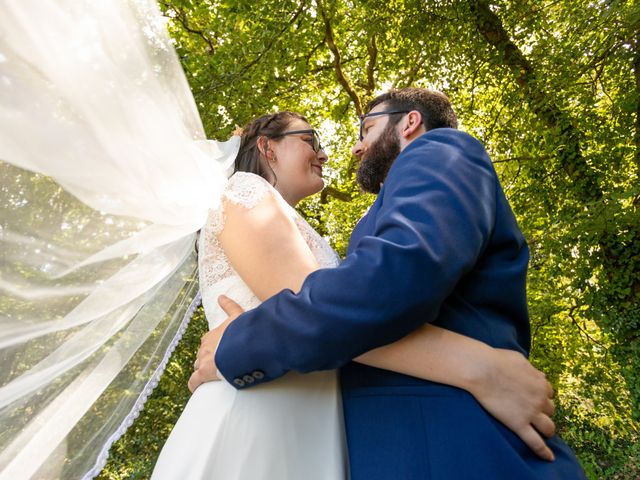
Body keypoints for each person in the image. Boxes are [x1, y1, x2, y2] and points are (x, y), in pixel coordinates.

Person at [191, 89, 588, 479]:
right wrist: (477, 367)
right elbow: (351, 302)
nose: (351, 150)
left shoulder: (438, 151)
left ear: (410, 121)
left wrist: (239, 342)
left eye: (365, 130)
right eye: (311, 139)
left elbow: (385, 284)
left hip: (449, 437)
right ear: (267, 147)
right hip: (344, 434)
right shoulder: (245, 196)